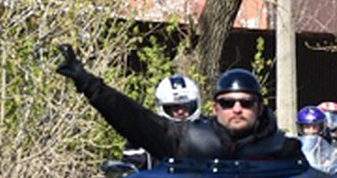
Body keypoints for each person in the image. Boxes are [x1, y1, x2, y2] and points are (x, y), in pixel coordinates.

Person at [56, 45, 301, 161]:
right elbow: (136, 120)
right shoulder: (190, 138)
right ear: (215, 108)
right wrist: (89, 84)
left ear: (259, 107)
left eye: (246, 103)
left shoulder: (283, 148)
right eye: (228, 103)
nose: (237, 109)